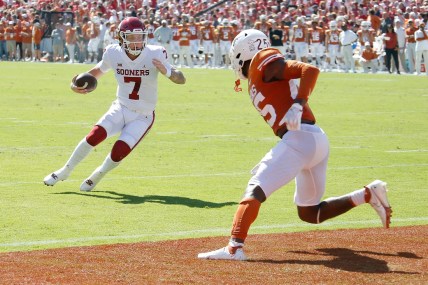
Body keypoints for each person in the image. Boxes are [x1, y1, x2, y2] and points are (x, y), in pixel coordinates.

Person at [197, 29, 392, 261]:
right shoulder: (259, 74)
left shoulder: (262, 60)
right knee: (310, 213)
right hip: (314, 140)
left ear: (243, 51)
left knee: (255, 188)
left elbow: (309, 70)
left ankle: (234, 248)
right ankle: (368, 194)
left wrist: (299, 103)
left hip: (299, 139)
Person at [43, 17, 186, 191]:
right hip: (121, 107)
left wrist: (168, 72)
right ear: (120, 38)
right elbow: (96, 72)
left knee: (119, 152)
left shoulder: (155, 52)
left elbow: (181, 79)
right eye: (132, 38)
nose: (137, 41)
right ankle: (65, 171)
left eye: (140, 37)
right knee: (94, 135)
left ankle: (98, 174)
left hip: (143, 116)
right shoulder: (113, 52)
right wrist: (75, 84)